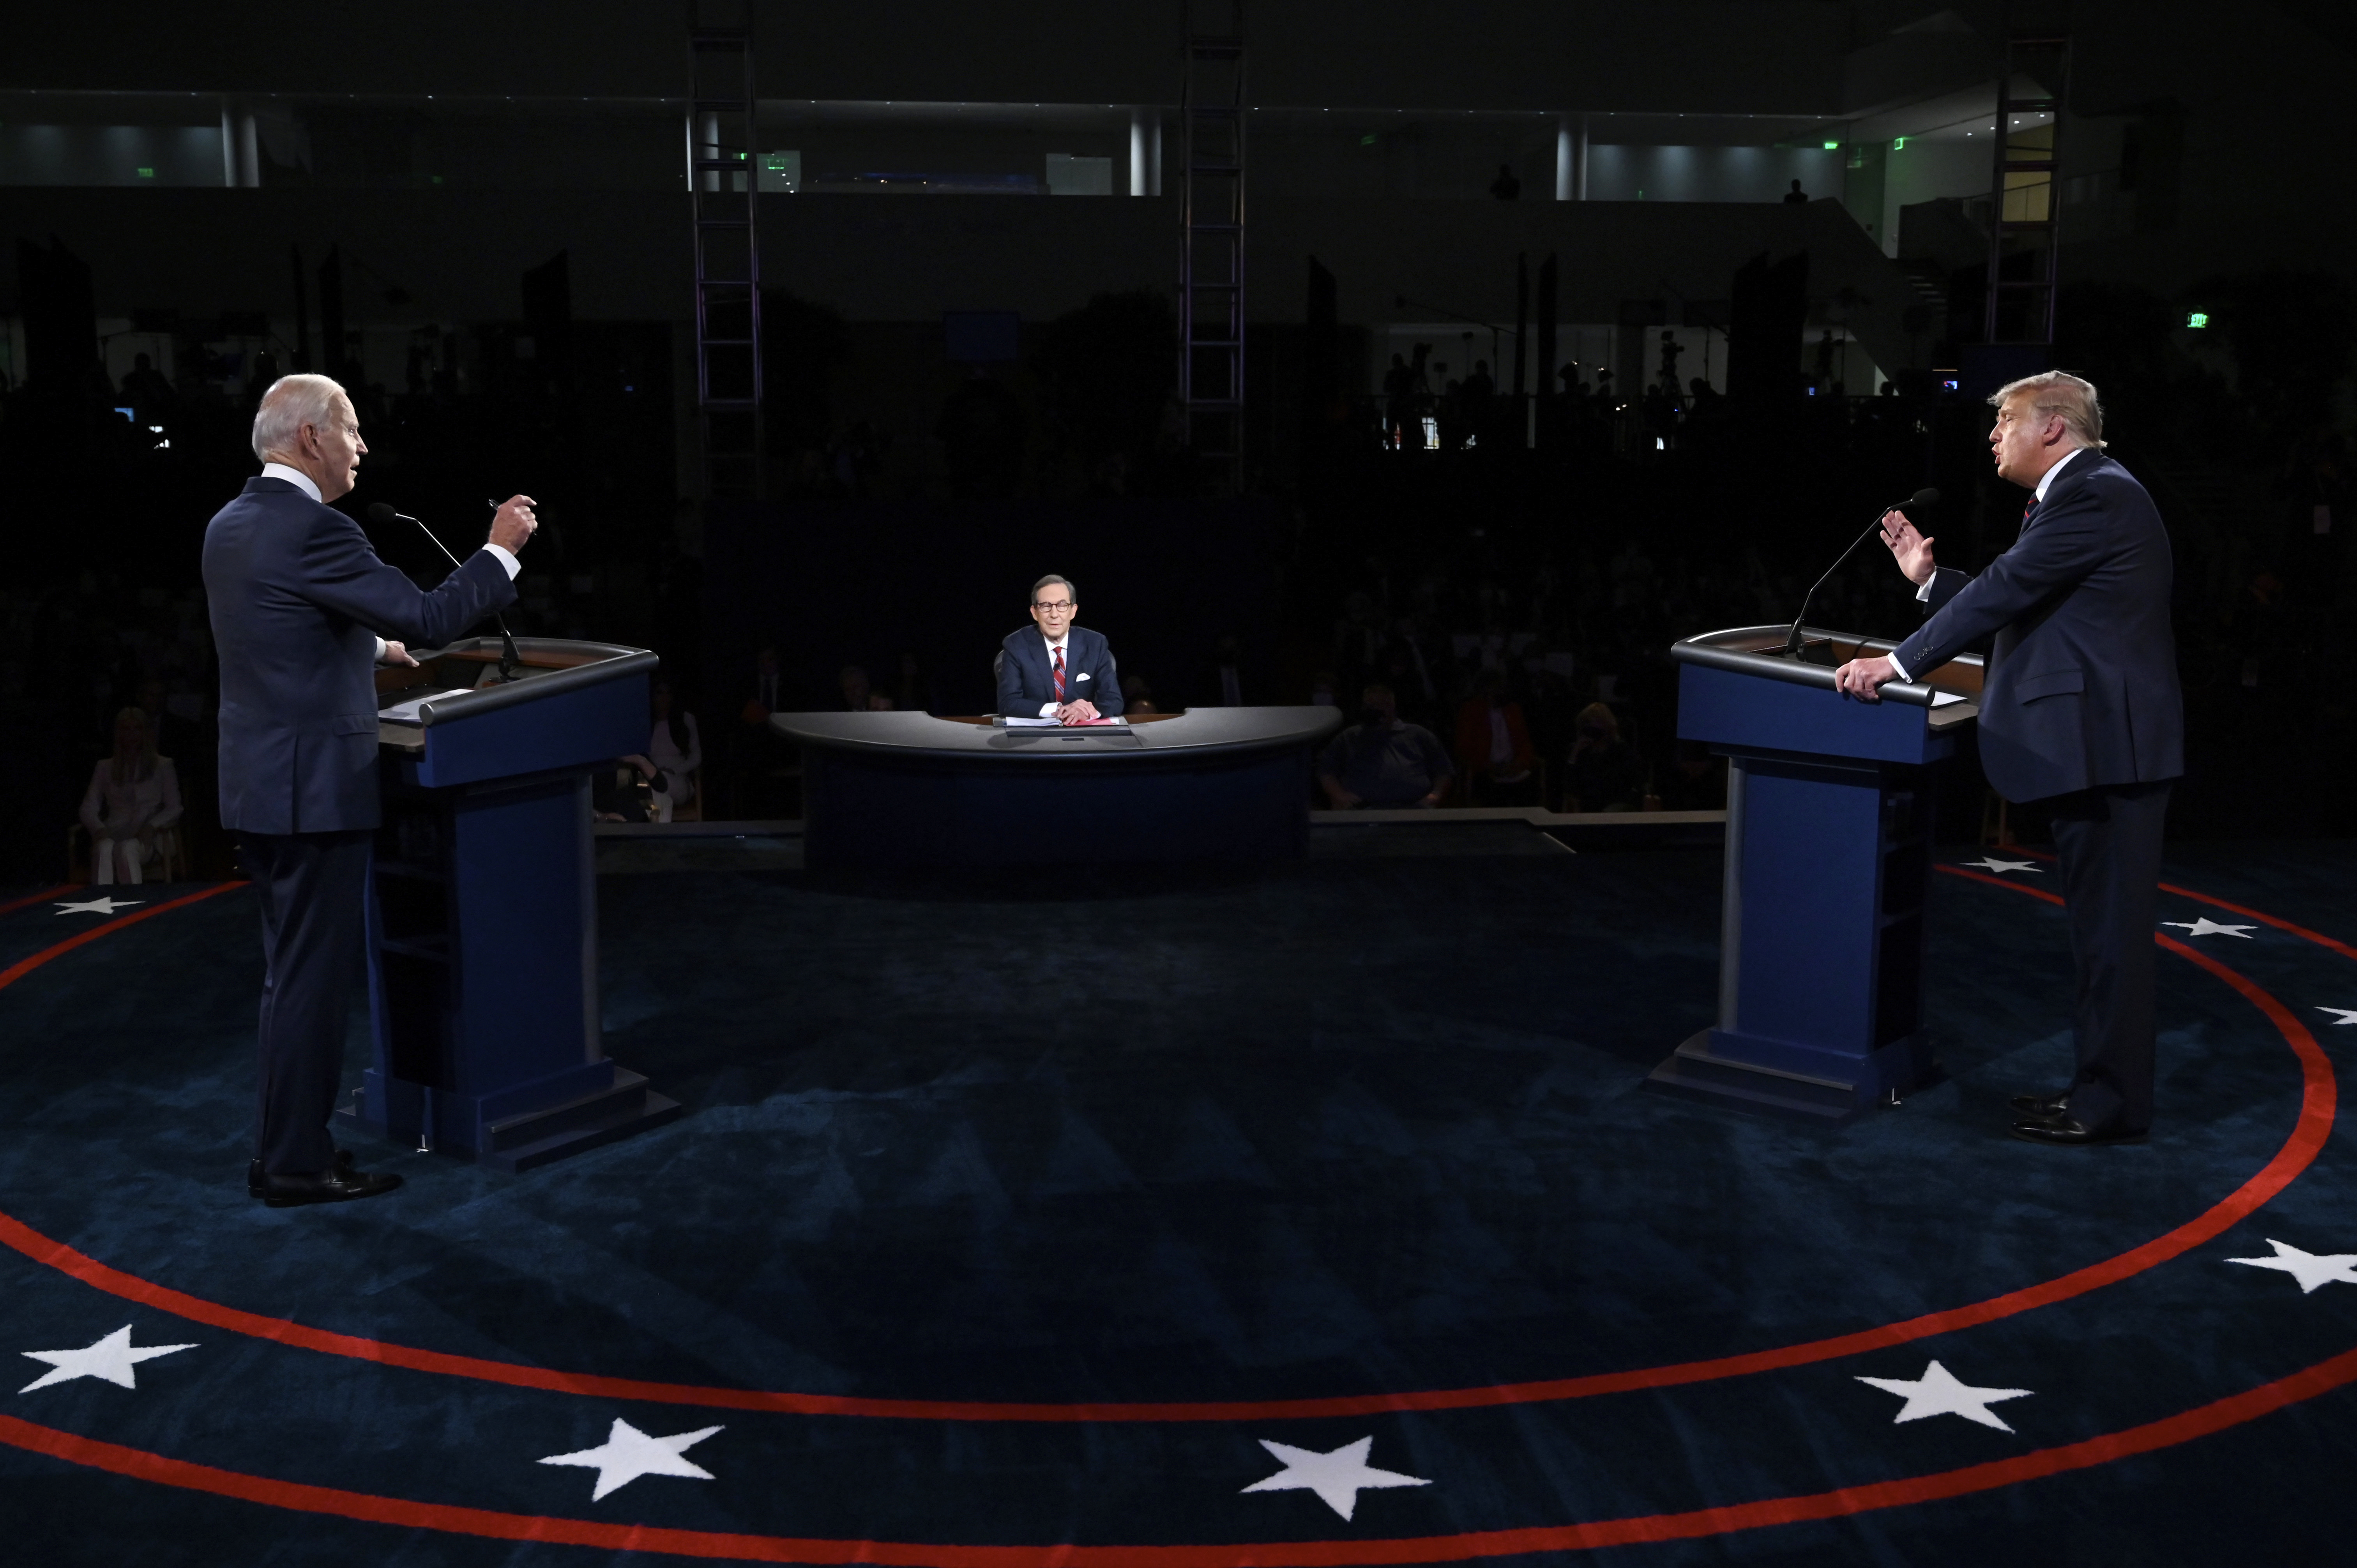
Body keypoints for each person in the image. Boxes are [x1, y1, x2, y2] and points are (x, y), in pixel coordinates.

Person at [204, 372, 535, 1208]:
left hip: (259, 786)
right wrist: (499, 549)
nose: (361, 446)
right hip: (313, 792)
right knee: (310, 985)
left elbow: (279, 631)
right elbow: (429, 614)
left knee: (290, 979)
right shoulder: (318, 529)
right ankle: (295, 1165)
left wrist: (366, 651)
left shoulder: (231, 525)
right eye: (351, 428)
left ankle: (283, 1149)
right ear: (310, 436)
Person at [1833, 371, 2183, 1148]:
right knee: (2099, 939)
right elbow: (2033, 599)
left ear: (2053, 426)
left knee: (2112, 942)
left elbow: (2012, 587)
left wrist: (1897, 665)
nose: (1994, 436)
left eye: (2006, 422)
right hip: (2097, 746)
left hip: (2111, 749)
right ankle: (2097, 1089)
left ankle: (2113, 1101)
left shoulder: (2095, 492)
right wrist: (1931, 583)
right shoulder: (2082, 495)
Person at [996, 575, 1123, 724]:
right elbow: (1008, 703)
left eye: (1062, 605)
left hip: (1085, 736)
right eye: (1045, 606)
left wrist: (1087, 713)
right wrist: (1058, 710)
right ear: (1034, 612)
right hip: (1034, 738)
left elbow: (1113, 700)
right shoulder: (1016, 645)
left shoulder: (1095, 644)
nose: (1054, 615)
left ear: (1073, 611)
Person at [80, 706, 182, 885]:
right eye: (126, 729)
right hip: (116, 830)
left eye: (137, 729)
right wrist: (98, 828)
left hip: (150, 837)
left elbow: (175, 807)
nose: (132, 735)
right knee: (104, 848)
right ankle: (102, 901)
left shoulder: (163, 765)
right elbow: (88, 807)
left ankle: (133, 902)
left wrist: (152, 826)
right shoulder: (105, 767)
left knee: (127, 849)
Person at [1318, 684, 1452, 809]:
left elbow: (1444, 771)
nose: (1380, 710)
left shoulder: (1418, 734)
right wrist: (1339, 795)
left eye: (1385, 705)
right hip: (1364, 809)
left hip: (1413, 808)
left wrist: (1435, 795)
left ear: (1393, 706)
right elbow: (1326, 771)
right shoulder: (1350, 737)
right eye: (1373, 705)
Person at [1452, 669, 1537, 804]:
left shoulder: (1513, 710)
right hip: (1485, 770)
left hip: (1512, 767)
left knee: (1528, 788)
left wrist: (1519, 764)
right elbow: (1463, 747)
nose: (1497, 693)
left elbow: (1525, 743)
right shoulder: (1471, 710)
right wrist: (1488, 766)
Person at [1564, 702, 1647, 812]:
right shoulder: (1581, 751)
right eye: (1587, 724)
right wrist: (1574, 755)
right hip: (1588, 805)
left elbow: (1626, 785)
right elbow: (1569, 786)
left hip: (1614, 805)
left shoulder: (1620, 750)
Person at [645, 678, 701, 821]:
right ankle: (662, 831)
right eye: (660, 693)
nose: (664, 698)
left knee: (661, 785)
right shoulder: (645, 722)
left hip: (678, 780)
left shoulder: (686, 720)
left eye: (668, 694)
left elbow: (696, 758)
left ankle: (660, 832)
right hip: (651, 780)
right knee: (654, 791)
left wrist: (675, 771)